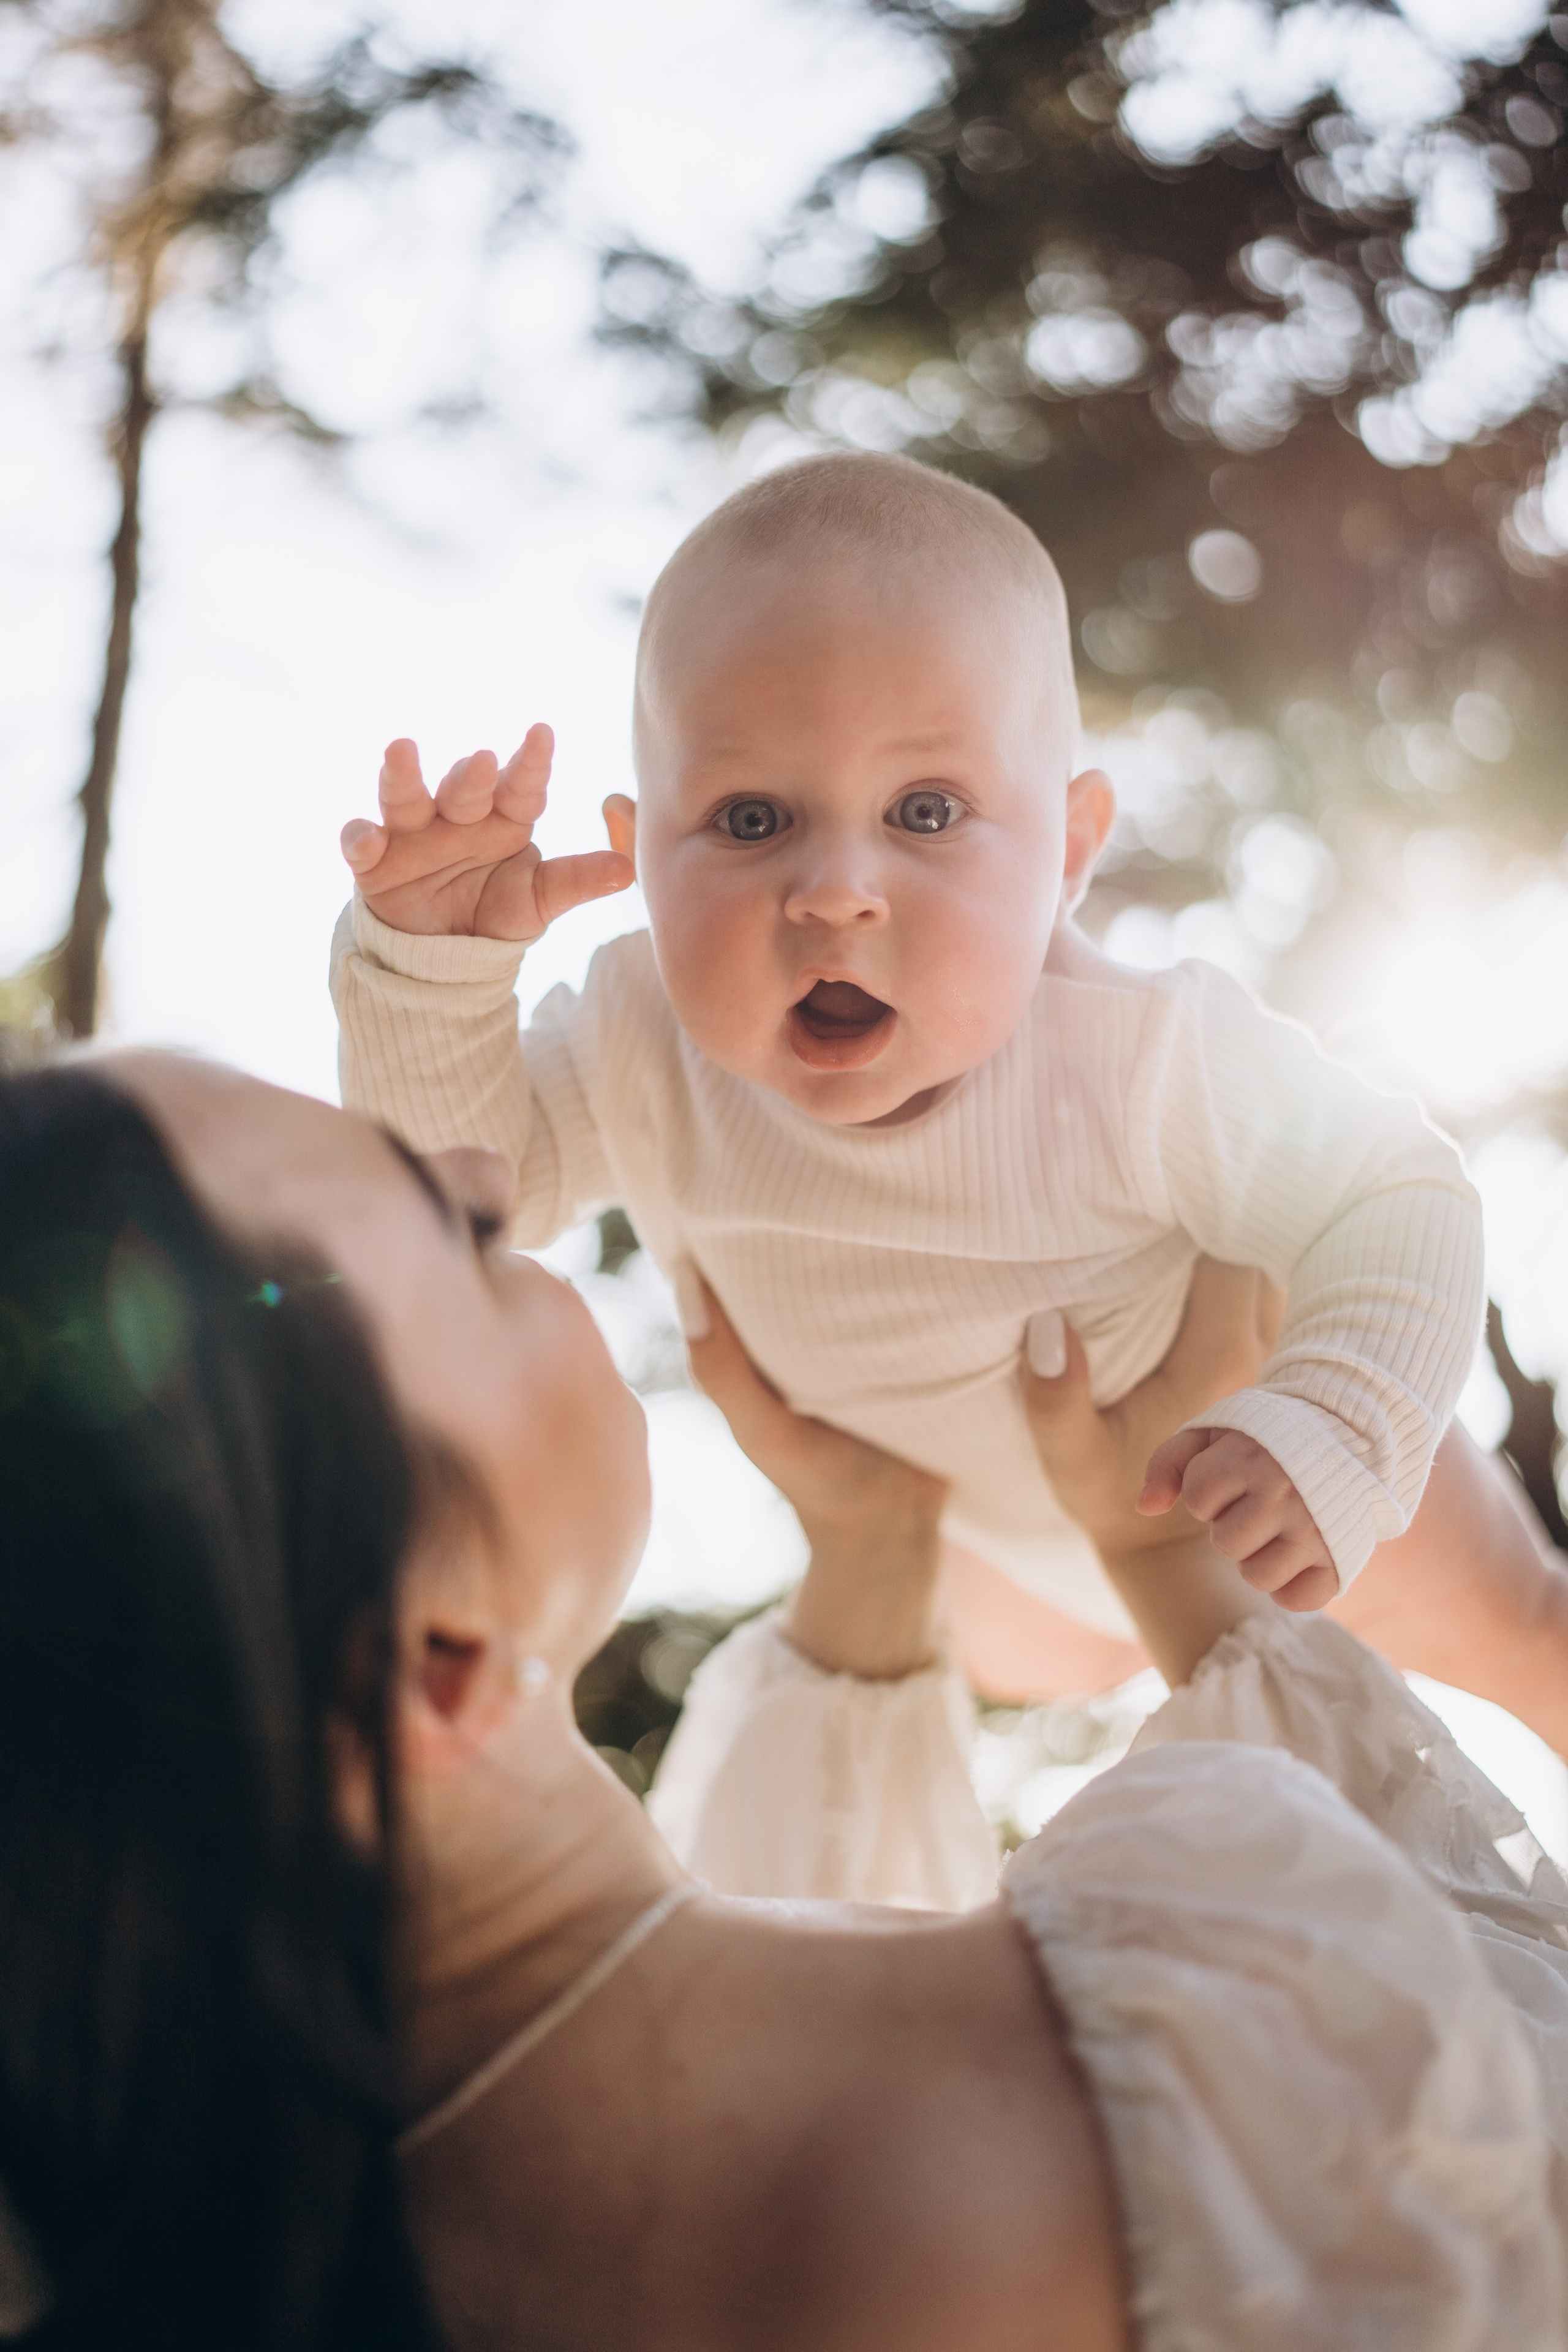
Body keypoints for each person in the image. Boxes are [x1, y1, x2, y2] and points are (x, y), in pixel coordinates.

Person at [6, 1050, 1568, 2349]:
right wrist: (1503, 1618)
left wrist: (877, 1562)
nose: (495, 1176)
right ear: (434, 1664)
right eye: (451, 1224)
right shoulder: (1191, 2034)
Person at [326, 447, 1568, 1756]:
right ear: (640, 856)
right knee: (980, 1744)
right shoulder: (640, 1036)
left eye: (925, 809)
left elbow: (1390, 1187)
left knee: (1525, 1634)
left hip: (1259, 1478)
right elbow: (478, 1192)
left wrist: (1331, 1418)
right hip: (997, 1574)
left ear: (1069, 854)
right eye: (751, 820)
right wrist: (433, 977)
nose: (834, 891)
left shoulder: (1137, 1058)